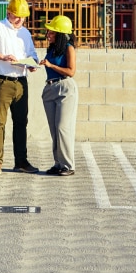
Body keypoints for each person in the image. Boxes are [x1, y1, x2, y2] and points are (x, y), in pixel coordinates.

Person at [0, 0, 39, 175]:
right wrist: (2, 56)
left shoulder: (25, 33)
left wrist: (32, 63)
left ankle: (21, 162)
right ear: (9, 13)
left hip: (21, 82)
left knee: (21, 123)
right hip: (1, 81)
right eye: (17, 17)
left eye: (23, 17)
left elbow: (33, 54)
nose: (20, 20)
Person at [40, 15, 79, 176]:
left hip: (65, 88)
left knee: (63, 127)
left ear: (61, 34)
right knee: (54, 129)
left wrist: (51, 65)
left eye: (52, 32)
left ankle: (68, 165)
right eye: (48, 32)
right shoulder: (52, 49)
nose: (48, 34)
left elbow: (71, 72)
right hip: (50, 88)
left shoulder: (69, 48)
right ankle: (58, 163)